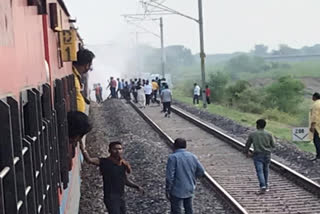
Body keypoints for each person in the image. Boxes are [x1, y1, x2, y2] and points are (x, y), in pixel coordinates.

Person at [80, 141, 144, 214]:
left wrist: (136, 186)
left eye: (120, 149)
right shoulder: (104, 161)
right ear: (109, 151)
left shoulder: (123, 164)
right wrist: (83, 149)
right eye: (115, 149)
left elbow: (125, 180)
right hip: (110, 197)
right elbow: (89, 160)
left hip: (121, 197)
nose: (118, 151)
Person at [166, 138, 205, 214]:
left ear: (174, 146)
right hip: (189, 187)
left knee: (176, 210)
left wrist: (168, 189)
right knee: (189, 209)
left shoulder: (172, 158)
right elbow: (201, 171)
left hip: (176, 189)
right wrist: (193, 177)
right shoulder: (192, 156)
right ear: (185, 146)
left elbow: (170, 176)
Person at [244, 119, 275, 194]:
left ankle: (262, 186)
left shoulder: (253, 134)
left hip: (257, 154)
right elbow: (273, 145)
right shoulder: (269, 134)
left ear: (257, 125)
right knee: (266, 170)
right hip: (267, 154)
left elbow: (247, 144)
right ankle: (266, 186)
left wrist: (247, 152)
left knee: (259, 171)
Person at [309, 92, 320, 161]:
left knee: (316, 140)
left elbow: (314, 116)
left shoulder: (316, 105)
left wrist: (312, 126)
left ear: (315, 97)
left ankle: (318, 156)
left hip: (317, 126)